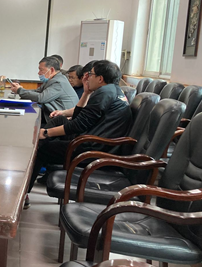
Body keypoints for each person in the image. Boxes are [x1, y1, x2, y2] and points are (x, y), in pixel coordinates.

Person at [24, 60, 132, 208]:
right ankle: (38, 145)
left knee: (42, 150)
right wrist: (86, 93)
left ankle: (23, 194)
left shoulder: (104, 93)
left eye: (91, 74)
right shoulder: (113, 90)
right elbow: (78, 118)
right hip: (92, 141)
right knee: (60, 120)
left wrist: (47, 133)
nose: (87, 78)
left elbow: (78, 124)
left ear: (100, 79)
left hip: (93, 149)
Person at [10, 56, 79, 124]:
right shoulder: (52, 79)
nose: (39, 73)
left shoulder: (58, 82)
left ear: (51, 70)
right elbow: (37, 91)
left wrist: (19, 90)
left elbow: (41, 98)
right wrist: (20, 89)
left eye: (41, 70)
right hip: (53, 116)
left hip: (64, 121)